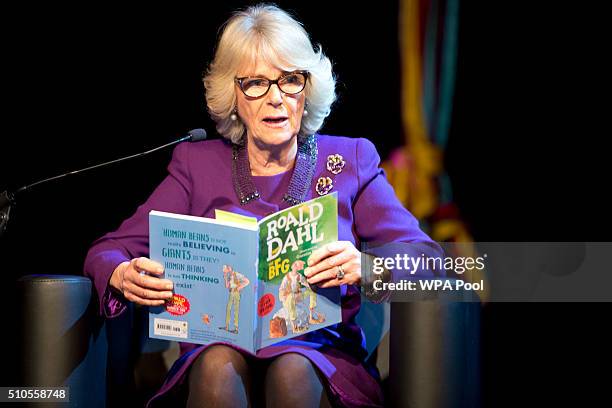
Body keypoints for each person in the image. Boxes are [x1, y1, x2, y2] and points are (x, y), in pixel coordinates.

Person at [84, 4, 442, 407]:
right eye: (256, 83)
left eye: (290, 80)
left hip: (320, 358)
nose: (275, 98)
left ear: (306, 91)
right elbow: (108, 250)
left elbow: (427, 258)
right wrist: (122, 273)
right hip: (215, 356)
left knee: (291, 369)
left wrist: (367, 266)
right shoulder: (196, 165)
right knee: (217, 364)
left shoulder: (351, 161)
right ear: (233, 95)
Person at [222, 264, 250, 333]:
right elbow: (227, 286)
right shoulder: (229, 276)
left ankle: (236, 328)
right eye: (226, 268)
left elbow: (247, 281)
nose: (227, 269)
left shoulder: (237, 274)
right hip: (231, 292)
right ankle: (227, 326)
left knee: (236, 310)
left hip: (236, 293)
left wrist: (239, 287)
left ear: (231, 268)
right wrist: (225, 277)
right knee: (228, 308)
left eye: (228, 268)